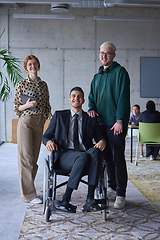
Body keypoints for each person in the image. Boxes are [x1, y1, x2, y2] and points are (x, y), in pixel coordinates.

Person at [42, 86, 106, 213]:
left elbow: (100, 137)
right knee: (83, 156)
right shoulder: (59, 116)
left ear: (83, 101)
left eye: (79, 96)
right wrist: (48, 142)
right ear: (70, 99)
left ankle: (90, 200)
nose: (76, 98)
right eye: (73, 96)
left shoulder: (90, 119)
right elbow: (46, 136)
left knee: (95, 151)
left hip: (85, 155)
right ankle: (66, 199)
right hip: (64, 156)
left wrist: (102, 141)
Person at [88, 41, 130, 209]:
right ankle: (112, 186)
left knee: (118, 158)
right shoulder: (96, 76)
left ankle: (121, 193)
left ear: (113, 55)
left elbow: (123, 98)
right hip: (100, 124)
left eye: (107, 53)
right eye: (101, 53)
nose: (104, 56)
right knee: (106, 158)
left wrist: (120, 120)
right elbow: (91, 96)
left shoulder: (121, 73)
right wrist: (91, 108)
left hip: (115, 124)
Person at [14, 55, 52, 203]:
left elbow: (47, 105)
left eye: (35, 63)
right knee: (26, 159)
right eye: (29, 64)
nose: (33, 66)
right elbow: (17, 108)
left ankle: (28, 189)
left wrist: (51, 116)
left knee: (34, 159)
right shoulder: (22, 84)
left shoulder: (44, 85)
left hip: (40, 122)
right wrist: (27, 105)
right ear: (26, 67)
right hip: (26, 121)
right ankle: (28, 195)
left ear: (38, 65)